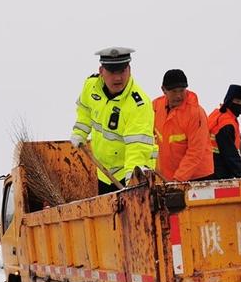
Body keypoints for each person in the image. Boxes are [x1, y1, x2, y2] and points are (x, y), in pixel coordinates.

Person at [71, 47, 155, 194]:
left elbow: (137, 147)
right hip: (104, 172)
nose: (118, 78)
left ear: (129, 69)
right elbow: (84, 109)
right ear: (101, 71)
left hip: (129, 173)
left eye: (122, 71)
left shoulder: (138, 104)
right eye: (112, 72)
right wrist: (80, 132)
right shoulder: (91, 87)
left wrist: (133, 180)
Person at [153, 69, 213, 182]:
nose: (179, 95)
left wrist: (178, 180)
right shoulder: (156, 107)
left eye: (182, 90)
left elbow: (195, 152)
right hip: (169, 177)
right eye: (174, 91)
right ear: (163, 90)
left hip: (198, 177)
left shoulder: (196, 113)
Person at [208, 84, 241, 180]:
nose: (240, 104)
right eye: (237, 101)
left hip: (210, 169)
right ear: (230, 100)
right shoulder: (226, 123)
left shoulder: (219, 114)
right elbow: (230, 155)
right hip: (217, 173)